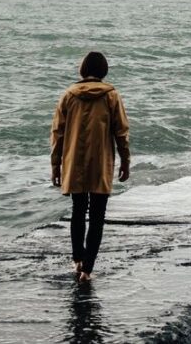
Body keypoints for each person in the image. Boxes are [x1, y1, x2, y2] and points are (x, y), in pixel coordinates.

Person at [50, 51, 131, 283]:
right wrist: (125, 161)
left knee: (78, 210)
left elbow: (57, 134)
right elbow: (121, 132)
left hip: (74, 162)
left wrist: (56, 166)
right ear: (104, 71)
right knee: (97, 215)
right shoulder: (111, 96)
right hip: (100, 162)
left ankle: (77, 260)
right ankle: (87, 269)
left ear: (82, 70)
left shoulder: (69, 95)